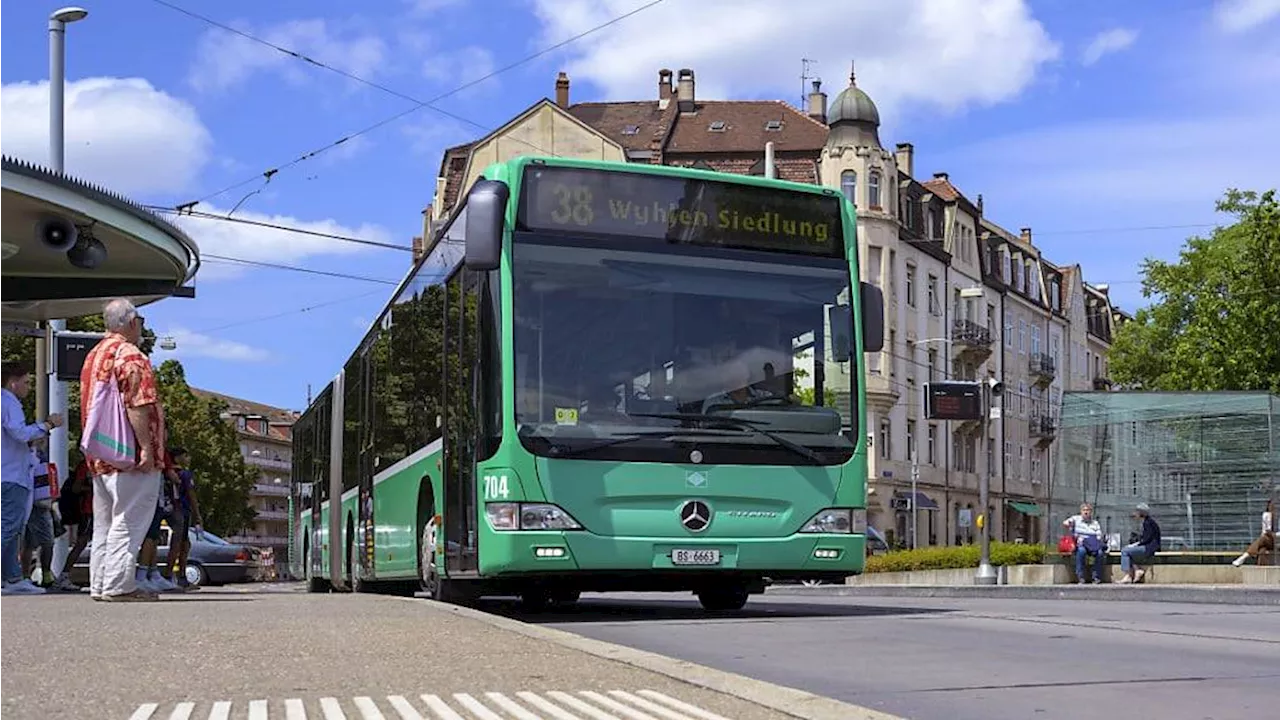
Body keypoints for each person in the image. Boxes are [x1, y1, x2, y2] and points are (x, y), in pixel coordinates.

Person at [80, 298, 167, 602]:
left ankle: (99, 584)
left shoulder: (93, 356)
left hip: (101, 455)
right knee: (129, 521)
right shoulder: (130, 355)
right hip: (128, 455)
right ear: (131, 322)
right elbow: (138, 403)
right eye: (140, 321)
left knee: (103, 525)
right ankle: (119, 585)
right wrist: (146, 447)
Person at [0, 361, 63, 596]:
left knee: (12, 529)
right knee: (8, 528)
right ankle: (12, 577)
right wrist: (47, 425)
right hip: (11, 476)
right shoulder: (10, 402)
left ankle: (13, 577)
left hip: (6, 473)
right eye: (26, 382)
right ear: (13, 382)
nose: (28, 387)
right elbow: (19, 432)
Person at [166, 447, 203, 591]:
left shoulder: (166, 473)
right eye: (184, 456)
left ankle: (176, 575)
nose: (187, 458)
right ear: (177, 458)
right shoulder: (185, 474)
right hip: (181, 509)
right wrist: (197, 514)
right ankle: (175, 575)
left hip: (167, 507)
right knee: (181, 543)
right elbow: (191, 494)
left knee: (183, 542)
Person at [1118, 503, 1161, 584]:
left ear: (1142, 513)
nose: (1135, 513)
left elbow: (1146, 539)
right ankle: (1137, 570)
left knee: (1125, 551)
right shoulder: (1149, 521)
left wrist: (1135, 545)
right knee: (1129, 552)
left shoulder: (1147, 523)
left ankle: (1128, 575)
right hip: (1150, 546)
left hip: (1149, 548)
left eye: (1137, 511)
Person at [1062, 502, 1105, 584]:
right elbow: (1065, 523)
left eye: (1088, 510)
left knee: (1099, 553)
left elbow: (1099, 535)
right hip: (1081, 544)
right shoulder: (1076, 519)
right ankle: (1080, 577)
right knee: (1081, 551)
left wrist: (1097, 540)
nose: (1086, 512)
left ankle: (1096, 577)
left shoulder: (1095, 523)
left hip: (1092, 544)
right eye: (1084, 510)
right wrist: (1070, 525)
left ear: (1091, 512)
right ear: (1081, 511)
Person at [1232, 499, 1275, 567]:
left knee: (1262, 539)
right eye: (1271, 505)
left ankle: (1243, 557)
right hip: (1268, 539)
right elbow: (1265, 530)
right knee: (1262, 551)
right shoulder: (1266, 515)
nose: (1273, 507)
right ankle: (1260, 571)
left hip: (1275, 539)